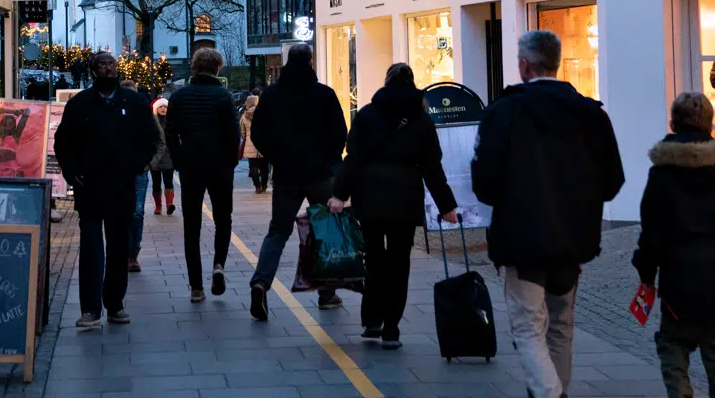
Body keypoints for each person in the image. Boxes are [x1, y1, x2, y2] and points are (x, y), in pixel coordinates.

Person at [472, 30, 624, 398]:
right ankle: (557, 388)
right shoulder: (591, 114)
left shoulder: (504, 111)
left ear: (524, 65)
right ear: (556, 63)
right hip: (573, 240)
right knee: (561, 325)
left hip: (521, 239)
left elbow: (484, 184)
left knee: (527, 325)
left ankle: (548, 392)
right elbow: (612, 181)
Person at [634, 92, 715, 398]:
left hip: (679, 275)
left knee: (673, 343)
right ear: (709, 123)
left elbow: (651, 230)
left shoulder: (662, 173)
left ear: (674, 123)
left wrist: (646, 274)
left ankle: (680, 393)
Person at [330, 63, 458, 349]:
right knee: (400, 262)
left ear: (386, 82)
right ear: (412, 84)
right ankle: (392, 328)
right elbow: (432, 167)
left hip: (370, 197)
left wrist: (340, 194)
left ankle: (372, 321)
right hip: (405, 199)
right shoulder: (421, 121)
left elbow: (353, 159)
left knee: (374, 260)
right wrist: (447, 205)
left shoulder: (366, 115)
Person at [53, 52, 160, 329]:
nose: (107, 68)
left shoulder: (134, 102)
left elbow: (151, 138)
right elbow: (63, 142)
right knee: (90, 246)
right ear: (93, 71)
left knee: (117, 247)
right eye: (101, 65)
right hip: (89, 186)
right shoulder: (80, 104)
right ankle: (90, 309)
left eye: (111, 64)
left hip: (122, 185)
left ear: (117, 69)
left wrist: (138, 165)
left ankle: (115, 304)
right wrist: (72, 171)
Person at [247, 42, 349, 321]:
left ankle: (261, 282)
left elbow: (258, 132)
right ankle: (327, 293)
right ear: (311, 61)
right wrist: (329, 158)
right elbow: (340, 132)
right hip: (319, 174)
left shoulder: (272, 94)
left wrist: (276, 156)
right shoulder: (324, 94)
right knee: (325, 231)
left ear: (286, 62)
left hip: (286, 174)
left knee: (277, 232)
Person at [165, 47, 242, 302]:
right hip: (219, 165)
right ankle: (218, 264)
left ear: (194, 67)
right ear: (218, 68)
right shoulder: (224, 96)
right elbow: (233, 134)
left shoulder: (180, 96)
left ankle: (196, 286)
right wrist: (230, 162)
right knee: (223, 218)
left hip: (191, 165)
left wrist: (179, 160)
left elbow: (171, 133)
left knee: (192, 225)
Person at [121, 79, 151, 272]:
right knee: (120, 213)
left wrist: (149, 161)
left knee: (137, 213)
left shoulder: (144, 114)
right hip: (116, 170)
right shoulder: (113, 114)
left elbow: (157, 138)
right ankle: (121, 252)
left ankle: (133, 254)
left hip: (139, 170)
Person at [150, 97, 175, 215]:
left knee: (168, 181)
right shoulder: (152, 122)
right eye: (161, 106)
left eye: (165, 106)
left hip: (168, 156)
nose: (163, 109)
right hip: (155, 156)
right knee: (156, 182)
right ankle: (158, 206)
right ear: (156, 109)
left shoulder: (171, 121)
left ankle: (169, 204)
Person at [238, 93, 268, 193]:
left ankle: (257, 187)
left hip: (249, 143)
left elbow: (242, 131)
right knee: (264, 167)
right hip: (263, 142)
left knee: (253, 167)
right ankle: (264, 184)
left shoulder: (244, 116)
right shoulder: (264, 113)